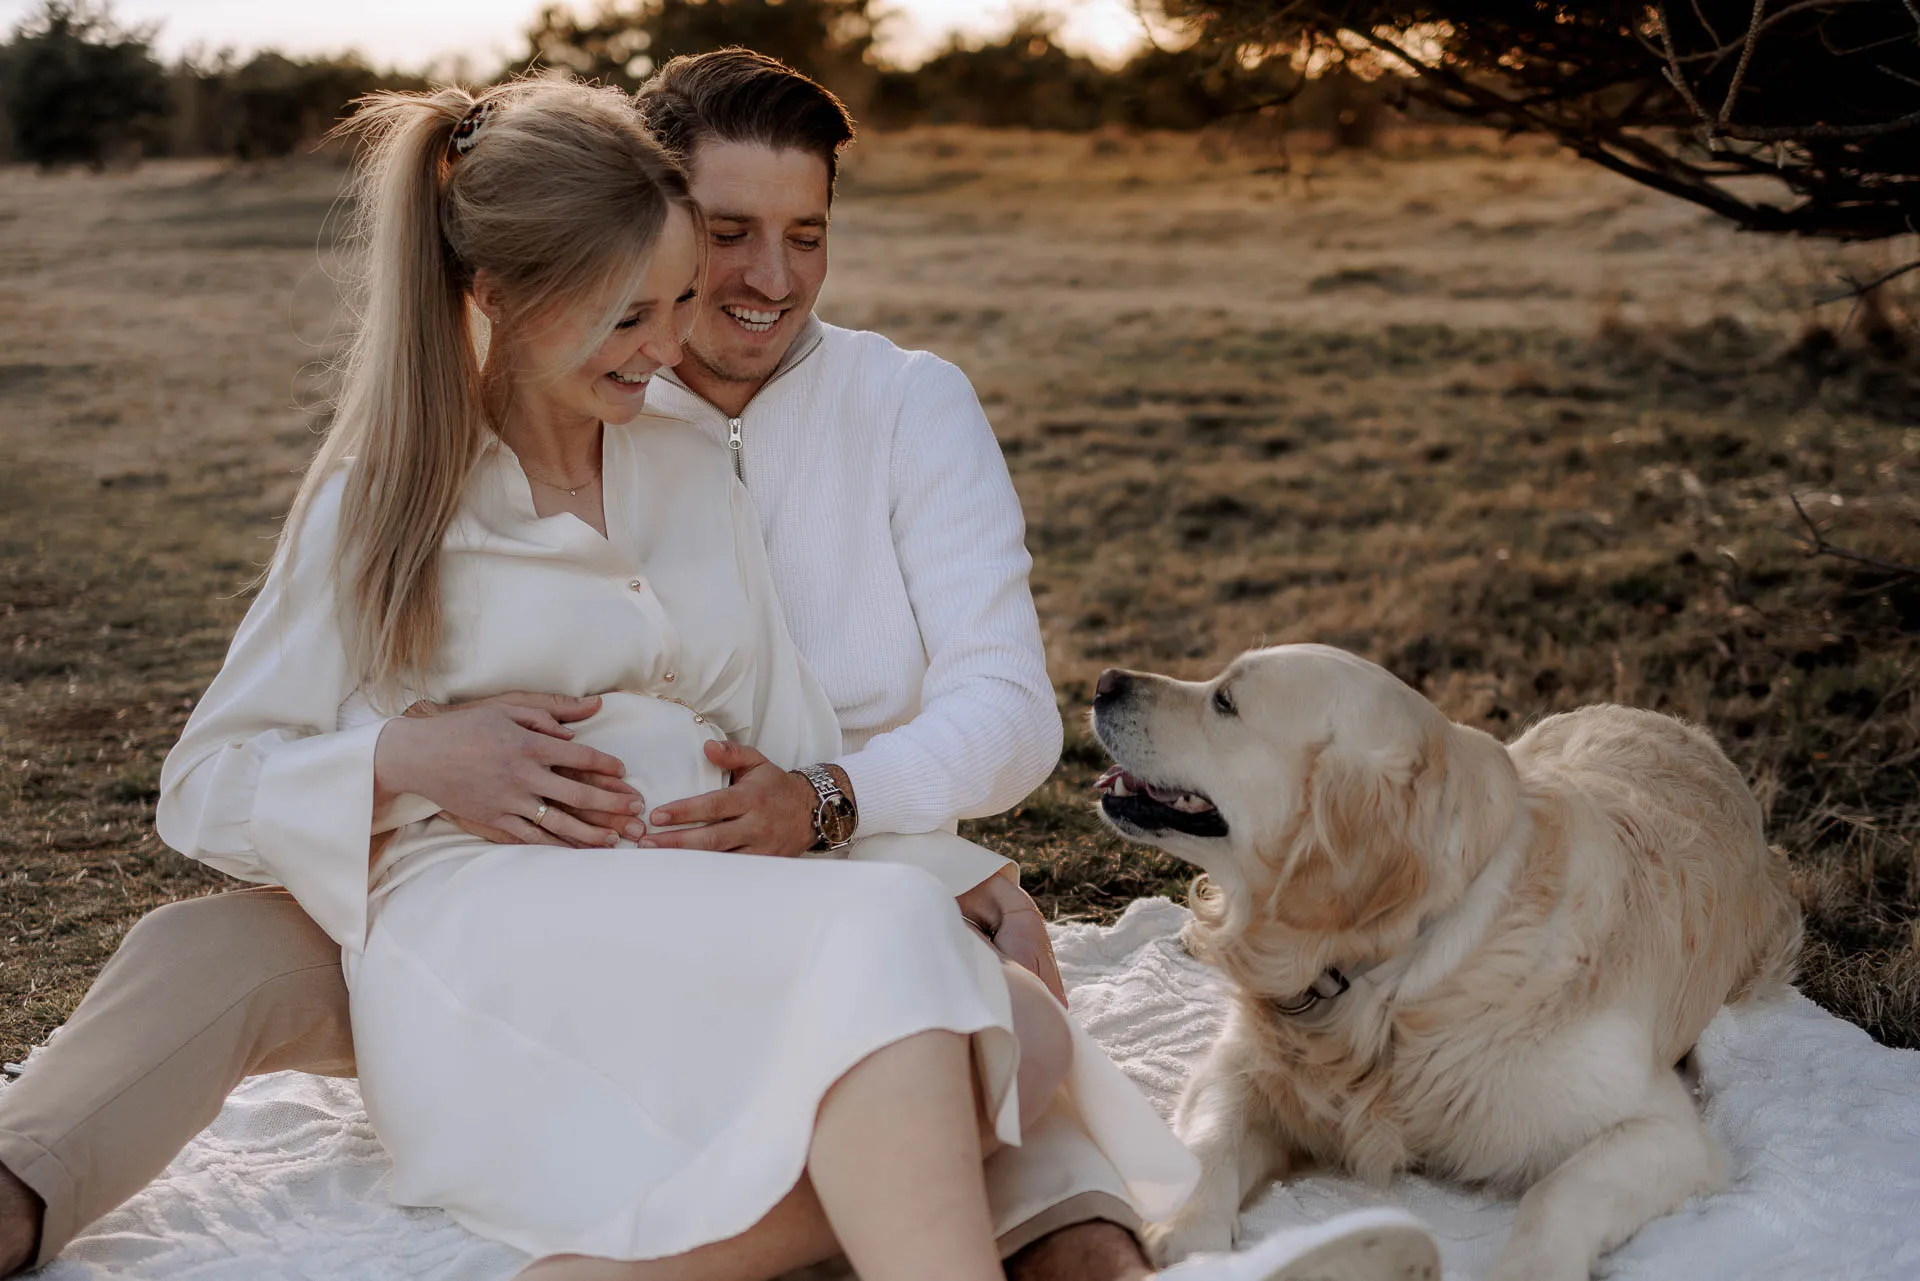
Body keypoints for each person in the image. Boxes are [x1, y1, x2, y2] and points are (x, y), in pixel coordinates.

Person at [0, 50, 1438, 1281]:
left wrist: (940, 866)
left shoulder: (695, 460)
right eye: (642, 309)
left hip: (712, 901)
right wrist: (405, 756)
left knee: (970, 1005)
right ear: (501, 292)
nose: (680, 339)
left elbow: (780, 727)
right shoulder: (388, 498)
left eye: (688, 294)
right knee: (917, 986)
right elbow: (208, 781)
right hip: (493, 922)